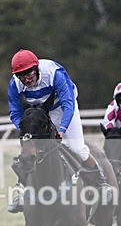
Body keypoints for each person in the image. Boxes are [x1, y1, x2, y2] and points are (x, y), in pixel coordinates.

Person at [6, 49, 112, 213]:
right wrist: (26, 131)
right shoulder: (14, 84)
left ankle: (101, 182)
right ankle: (20, 192)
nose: (27, 78)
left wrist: (62, 130)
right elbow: (15, 113)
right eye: (22, 75)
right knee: (29, 151)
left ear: (37, 68)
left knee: (76, 147)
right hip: (40, 112)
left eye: (30, 73)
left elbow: (68, 104)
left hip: (63, 108)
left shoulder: (55, 74)